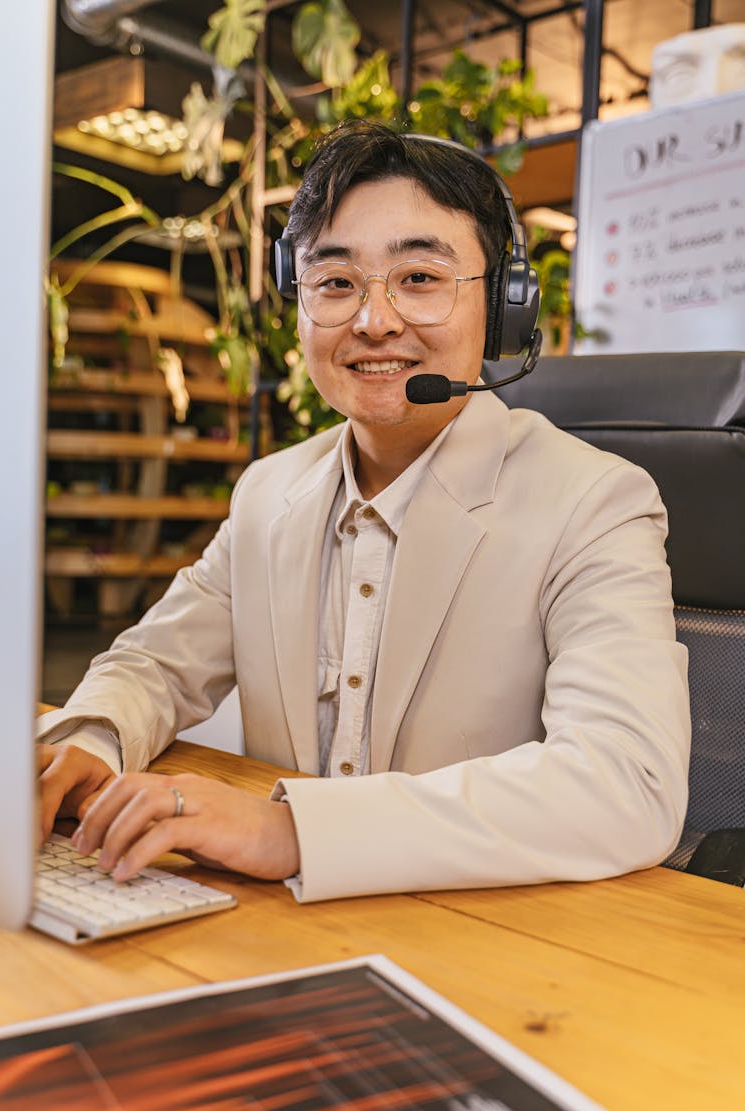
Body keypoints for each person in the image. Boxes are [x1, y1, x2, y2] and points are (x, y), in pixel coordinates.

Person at [37, 121, 691, 902]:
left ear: (506, 308)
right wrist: (89, 742)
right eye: (337, 282)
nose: (373, 321)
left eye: (419, 278)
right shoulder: (270, 492)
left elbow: (628, 784)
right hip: (281, 928)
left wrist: (290, 832)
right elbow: (156, 665)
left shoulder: (595, 502)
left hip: (482, 937)